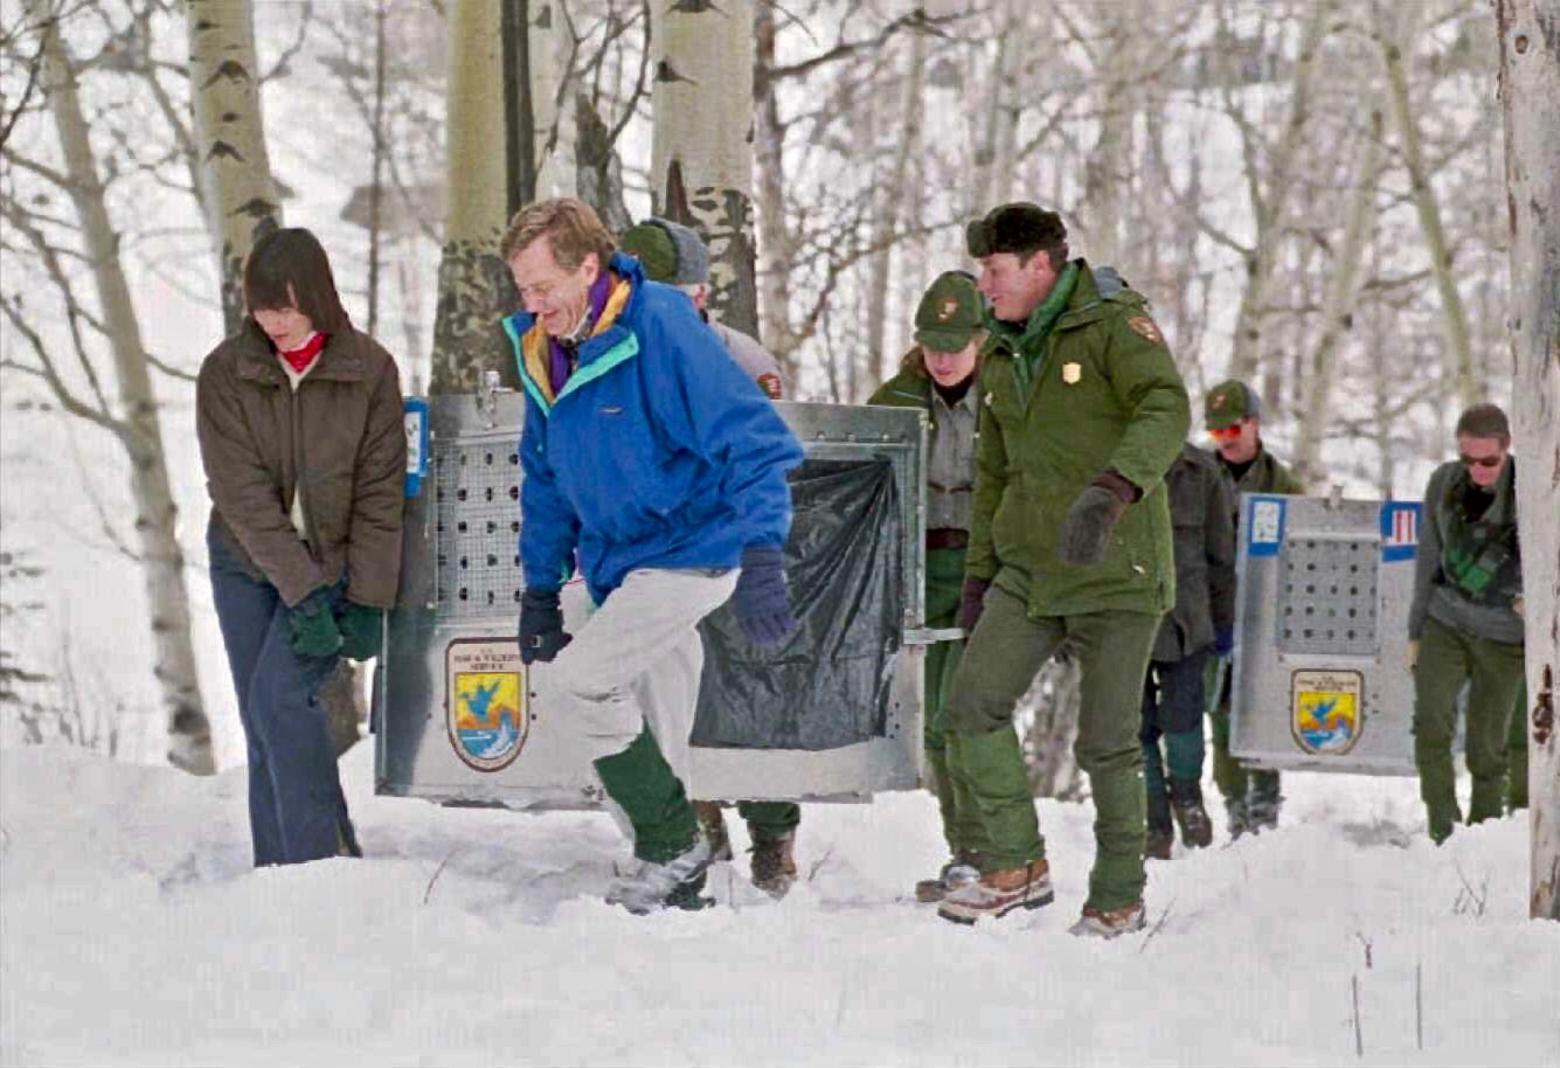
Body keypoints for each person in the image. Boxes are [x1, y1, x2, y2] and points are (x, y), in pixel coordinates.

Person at [502, 198, 804, 914]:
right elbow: (545, 477)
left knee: (581, 682)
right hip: (618, 562)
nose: (533, 304)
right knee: (655, 730)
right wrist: (540, 587)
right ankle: (674, 874)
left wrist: (764, 554)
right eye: (522, 290)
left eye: (544, 287)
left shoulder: (659, 324)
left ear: (588, 265)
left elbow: (751, 441)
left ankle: (673, 843)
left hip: (692, 548)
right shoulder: (545, 348)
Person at [938, 202, 1190, 938]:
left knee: (1107, 743)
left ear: (1040, 267)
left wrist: (1115, 488)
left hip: (1116, 569)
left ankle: (1118, 895)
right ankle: (1017, 864)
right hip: (1029, 572)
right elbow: (994, 470)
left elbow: (1166, 407)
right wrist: (982, 578)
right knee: (971, 708)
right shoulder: (1005, 350)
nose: (983, 285)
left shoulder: (1115, 324)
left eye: (995, 271)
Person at [196, 226, 406, 866]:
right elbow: (243, 497)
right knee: (263, 719)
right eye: (262, 306)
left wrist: (368, 601)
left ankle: (312, 864)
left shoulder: (368, 371)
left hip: (333, 563)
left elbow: (379, 493)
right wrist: (305, 597)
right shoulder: (227, 372)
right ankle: (290, 865)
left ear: (316, 295)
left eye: (285, 305)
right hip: (245, 563)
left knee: (279, 701)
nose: (273, 321)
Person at [617, 216, 799, 897]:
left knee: (750, 683)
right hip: (653, 556)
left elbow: (764, 466)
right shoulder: (610, 353)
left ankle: (771, 827)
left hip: (728, 550)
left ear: (696, 296)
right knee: (667, 695)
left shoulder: (744, 364)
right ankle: (689, 814)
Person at [866, 270, 995, 903]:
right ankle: (967, 853)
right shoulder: (896, 399)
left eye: (956, 344)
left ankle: (997, 851)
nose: (943, 358)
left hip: (988, 570)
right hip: (921, 571)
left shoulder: (1008, 397)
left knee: (967, 713)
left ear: (982, 339)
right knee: (937, 726)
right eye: (932, 344)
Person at [1408, 403, 1525, 844]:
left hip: (1505, 636)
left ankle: (1484, 836)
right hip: (1447, 620)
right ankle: (1442, 829)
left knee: (1488, 745)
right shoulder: (1444, 484)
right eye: (1468, 459)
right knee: (1431, 725)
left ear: (1506, 449)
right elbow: (1428, 559)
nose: (1477, 470)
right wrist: (1415, 630)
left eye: (1488, 461)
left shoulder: (1532, 489)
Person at [1202, 378, 1305, 837]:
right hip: (1208, 611)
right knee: (1220, 712)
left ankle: (1264, 805)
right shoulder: (1196, 474)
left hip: (1263, 613)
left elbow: (1300, 551)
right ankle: (1234, 804)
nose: (1226, 440)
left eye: (1233, 429)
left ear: (1254, 426)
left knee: (1261, 709)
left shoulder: (1282, 484)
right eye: (1217, 432)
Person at [1140, 443, 1236, 860]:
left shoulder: (1200, 471)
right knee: (1132, 725)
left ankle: (1187, 795)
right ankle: (1153, 819)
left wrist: (1223, 618)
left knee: (1183, 717)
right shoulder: (1103, 455)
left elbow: (1220, 551)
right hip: (1122, 617)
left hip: (1187, 616)